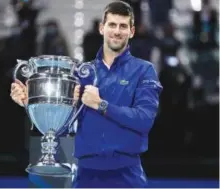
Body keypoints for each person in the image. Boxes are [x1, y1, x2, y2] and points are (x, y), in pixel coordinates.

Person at [10, 1, 163, 188]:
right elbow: (65, 127)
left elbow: (144, 120)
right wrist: (30, 102)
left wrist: (101, 105)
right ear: (101, 28)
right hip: (86, 177)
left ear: (131, 31)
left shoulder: (144, 70)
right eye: (112, 25)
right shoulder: (83, 72)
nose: (117, 31)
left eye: (123, 26)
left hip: (127, 177)